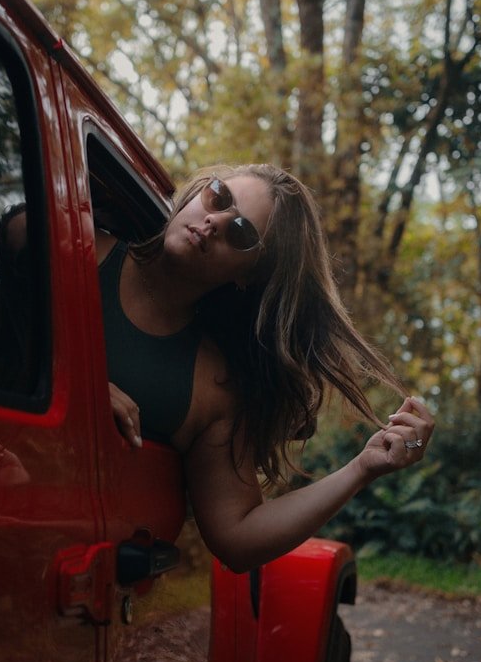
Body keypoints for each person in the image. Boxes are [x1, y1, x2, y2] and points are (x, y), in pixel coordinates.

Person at [96, 163, 434, 574]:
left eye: (240, 232)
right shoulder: (76, 243)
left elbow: (239, 536)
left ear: (249, 274)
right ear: (200, 191)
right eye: (219, 197)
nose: (214, 222)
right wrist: (84, 388)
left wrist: (362, 468)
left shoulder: (212, 385)